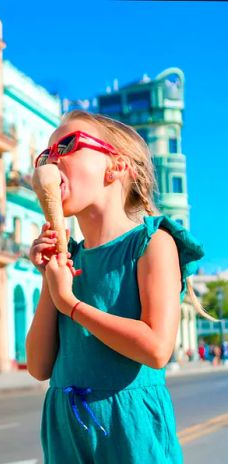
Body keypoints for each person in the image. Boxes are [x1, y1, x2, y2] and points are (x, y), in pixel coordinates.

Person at [26, 110, 208, 463]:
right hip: (66, 429)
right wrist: (51, 279)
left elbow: (156, 347)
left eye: (66, 145)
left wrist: (72, 304)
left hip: (130, 429)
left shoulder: (152, 245)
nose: (51, 160)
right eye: (45, 156)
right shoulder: (69, 260)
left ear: (117, 166)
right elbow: (38, 366)